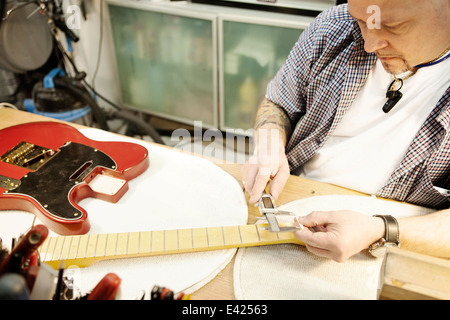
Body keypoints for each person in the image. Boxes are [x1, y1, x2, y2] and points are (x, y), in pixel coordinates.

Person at [242, 0, 450, 262]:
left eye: (393, 26)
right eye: (362, 21)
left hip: (397, 244)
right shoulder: (333, 26)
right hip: (293, 200)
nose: (370, 45)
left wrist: (380, 230)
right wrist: (269, 145)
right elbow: (278, 104)